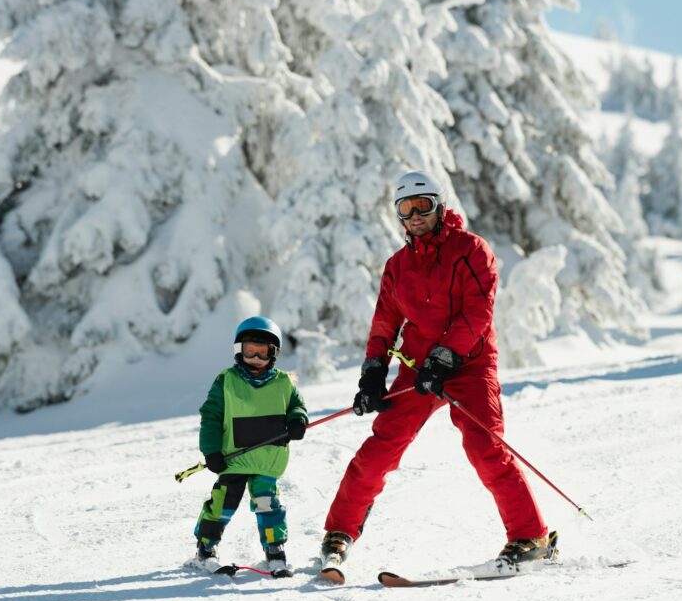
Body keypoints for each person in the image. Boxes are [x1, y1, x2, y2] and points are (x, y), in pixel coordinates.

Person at [320, 171, 549, 569]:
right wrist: (374, 371)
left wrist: (445, 358)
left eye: (422, 205)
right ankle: (340, 531)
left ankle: (531, 538)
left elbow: (478, 311)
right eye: (405, 210)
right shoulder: (397, 266)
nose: (415, 216)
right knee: (380, 447)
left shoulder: (472, 250)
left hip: (470, 363)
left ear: (439, 206)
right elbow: (384, 324)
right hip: (417, 370)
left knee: (485, 446)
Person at [193, 316, 309, 576]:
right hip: (234, 458)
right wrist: (211, 451)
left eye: (262, 352)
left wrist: (297, 420)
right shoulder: (226, 381)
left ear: (274, 353)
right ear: (239, 351)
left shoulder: (283, 382)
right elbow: (210, 417)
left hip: (267, 459)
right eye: (249, 351)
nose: (256, 357)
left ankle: (275, 551)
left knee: (268, 504)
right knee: (223, 503)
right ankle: (206, 548)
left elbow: (296, 406)